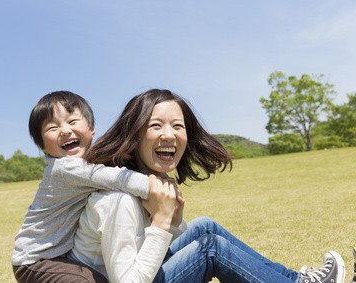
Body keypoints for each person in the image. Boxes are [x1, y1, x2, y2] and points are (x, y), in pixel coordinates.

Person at [69, 89, 346, 283]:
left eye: (178, 126)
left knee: (203, 226)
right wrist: (162, 222)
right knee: (210, 249)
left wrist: (173, 223)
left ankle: (296, 280)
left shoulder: (146, 184)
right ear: (134, 135)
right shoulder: (119, 200)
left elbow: (149, 250)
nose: (169, 134)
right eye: (156, 125)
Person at [12, 91, 163, 283]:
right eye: (52, 127)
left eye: (73, 121)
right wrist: (156, 187)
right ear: (43, 146)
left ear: (92, 128)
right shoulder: (64, 168)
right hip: (35, 260)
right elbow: (117, 178)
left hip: (60, 255)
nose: (65, 131)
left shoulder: (85, 164)